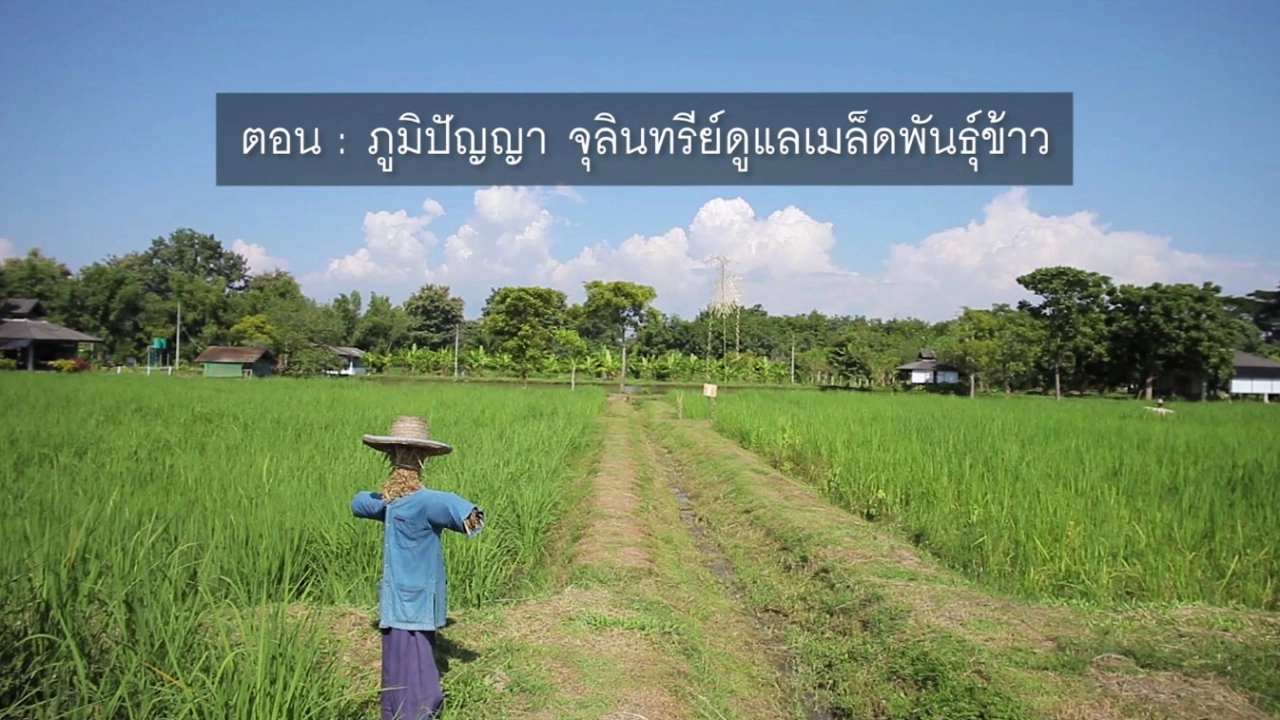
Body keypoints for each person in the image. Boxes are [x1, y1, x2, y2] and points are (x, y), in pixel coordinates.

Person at [350, 415, 485, 720]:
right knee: (405, 662)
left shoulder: (420, 502)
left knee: (409, 662)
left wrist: (391, 501)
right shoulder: (408, 502)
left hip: (412, 597)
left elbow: (471, 518)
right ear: (424, 459)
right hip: (401, 597)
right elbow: (358, 503)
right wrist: (392, 501)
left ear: (390, 457)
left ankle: (413, 713)